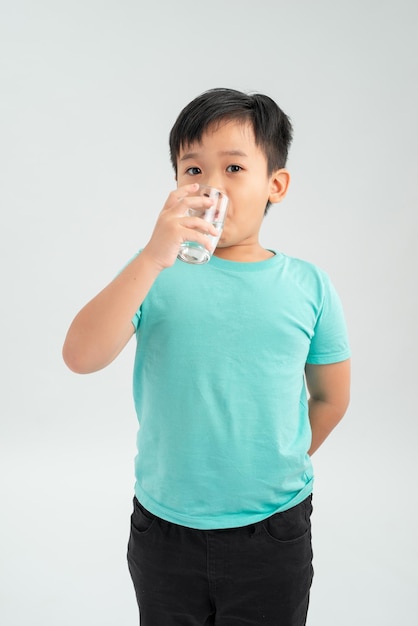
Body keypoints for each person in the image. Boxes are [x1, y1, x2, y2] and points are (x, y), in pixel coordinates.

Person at [62, 88, 351, 626]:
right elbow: (80, 355)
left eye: (234, 167)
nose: (210, 186)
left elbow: (332, 397)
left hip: (273, 527)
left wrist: (273, 459)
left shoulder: (308, 285)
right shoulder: (154, 271)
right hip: (164, 528)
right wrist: (151, 257)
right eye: (192, 170)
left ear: (276, 185)